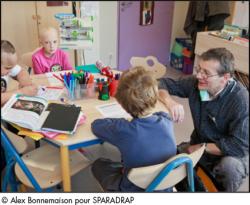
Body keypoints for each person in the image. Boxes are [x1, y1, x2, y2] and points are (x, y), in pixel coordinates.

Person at [158, 47, 249, 192]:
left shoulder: (241, 100)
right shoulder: (197, 83)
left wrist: (203, 147)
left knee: (230, 167)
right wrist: (170, 102)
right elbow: (161, 83)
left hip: (229, 154)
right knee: (170, 158)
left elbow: (239, 146)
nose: (199, 75)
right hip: (199, 143)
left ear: (225, 78)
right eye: (199, 69)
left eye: (206, 73)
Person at [91, 66, 177, 192]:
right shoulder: (167, 121)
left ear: (121, 104)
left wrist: (120, 122)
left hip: (133, 189)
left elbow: (96, 125)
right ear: (155, 96)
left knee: (98, 164)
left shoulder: (124, 129)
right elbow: (161, 114)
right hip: (164, 185)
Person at [1, 40, 38, 106]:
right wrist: (22, 92)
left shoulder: (7, 66)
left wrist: (26, 85)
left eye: (12, 67)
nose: (11, 70)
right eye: (7, 68)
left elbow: (21, 71)